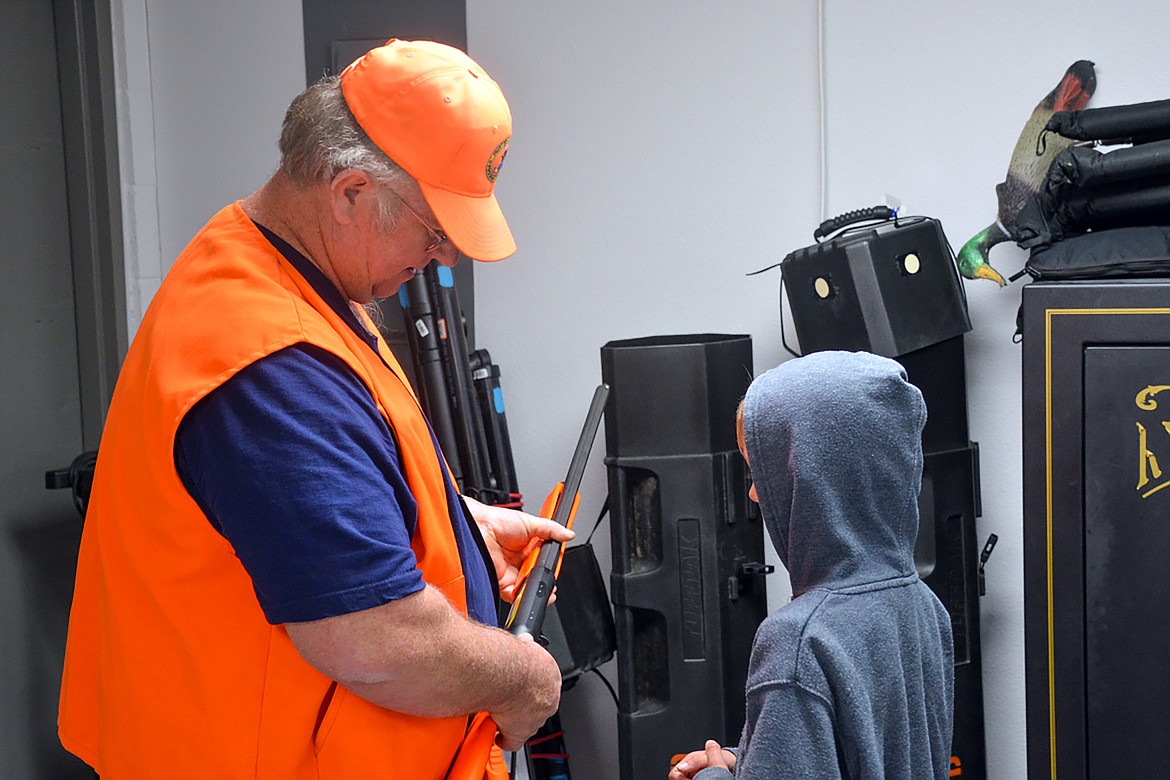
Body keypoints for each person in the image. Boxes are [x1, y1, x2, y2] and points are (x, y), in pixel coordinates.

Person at [58, 39, 569, 779]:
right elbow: (374, 640)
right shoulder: (266, 364)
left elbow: (331, 479)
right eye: (434, 231)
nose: (445, 259)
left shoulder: (289, 269)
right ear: (351, 192)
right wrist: (525, 679)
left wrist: (460, 522)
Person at [669, 350, 954, 779]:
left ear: (815, 479)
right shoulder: (925, 607)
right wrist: (746, 759)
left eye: (764, 477)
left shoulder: (801, 642)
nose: (754, 496)